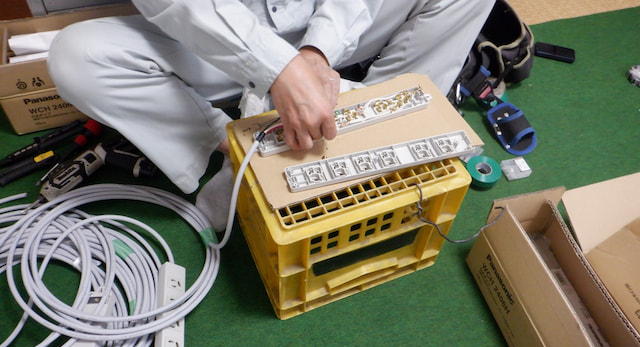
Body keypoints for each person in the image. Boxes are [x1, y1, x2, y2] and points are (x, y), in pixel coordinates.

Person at [48, 0, 495, 230]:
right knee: (77, 56)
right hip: (214, 41)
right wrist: (277, 70)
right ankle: (236, 145)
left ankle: (386, 121)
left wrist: (318, 52)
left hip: (333, 23)